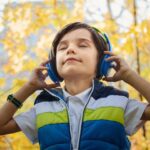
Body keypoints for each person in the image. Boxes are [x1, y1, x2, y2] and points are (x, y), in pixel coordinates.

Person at [0, 22, 150, 150]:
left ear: (103, 61)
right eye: (62, 48)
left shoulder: (117, 102)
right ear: (53, 65)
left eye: (83, 45)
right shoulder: (43, 108)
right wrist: (28, 87)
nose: (70, 49)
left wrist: (131, 76)